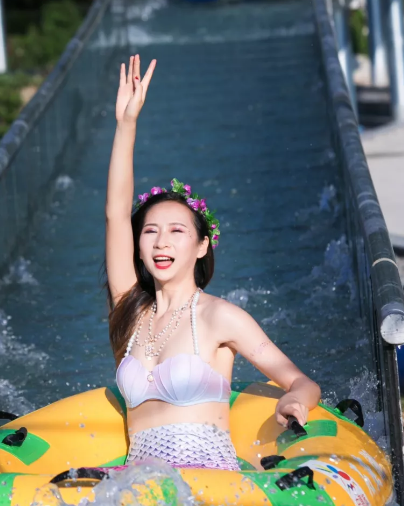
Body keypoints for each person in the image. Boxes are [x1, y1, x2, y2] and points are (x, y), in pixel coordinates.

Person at [105, 55, 321, 470]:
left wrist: (294, 399)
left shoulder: (221, 317)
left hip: (206, 481)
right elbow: (116, 213)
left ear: (202, 246)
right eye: (150, 231)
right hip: (136, 486)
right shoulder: (129, 312)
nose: (161, 242)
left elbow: (300, 380)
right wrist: (126, 124)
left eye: (177, 231)